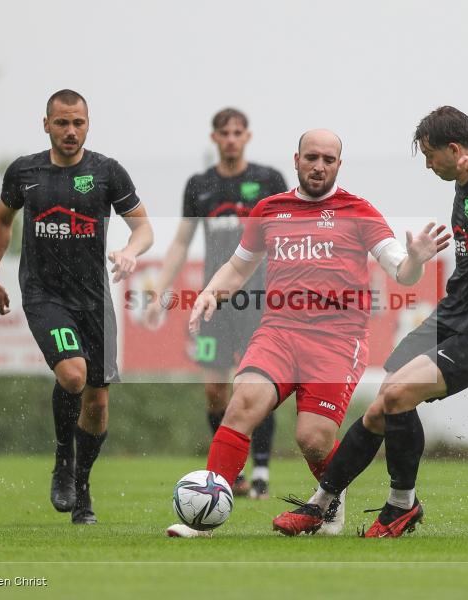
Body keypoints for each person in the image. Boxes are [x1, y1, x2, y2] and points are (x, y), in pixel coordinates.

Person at [166, 128, 451, 537]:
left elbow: (401, 271)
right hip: (278, 332)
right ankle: (205, 521)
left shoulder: (358, 210)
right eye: (312, 157)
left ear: (338, 165)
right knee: (241, 404)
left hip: (337, 341)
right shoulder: (269, 209)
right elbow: (239, 266)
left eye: (328, 160)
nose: (319, 166)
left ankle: (329, 501)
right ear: (296, 159)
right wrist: (211, 292)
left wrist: (417, 261)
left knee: (313, 439)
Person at [274, 107, 468, 537]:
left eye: (431, 156)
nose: (429, 165)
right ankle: (323, 504)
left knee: (396, 395)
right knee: (384, 401)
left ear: (454, 149)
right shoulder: (463, 186)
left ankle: (396, 507)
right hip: (453, 315)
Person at [0, 89, 153, 525]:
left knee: (97, 404)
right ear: (46, 125)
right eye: (61, 122)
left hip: (95, 299)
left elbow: (143, 227)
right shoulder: (25, 172)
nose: (70, 131)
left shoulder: (106, 172)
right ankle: (62, 459)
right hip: (44, 295)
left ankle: (81, 487)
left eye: (78, 122)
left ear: (88, 124)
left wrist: (132, 251)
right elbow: (2, 221)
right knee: (73, 374)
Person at [144, 108, 287, 499]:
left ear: (247, 137)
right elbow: (180, 241)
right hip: (215, 304)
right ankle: (233, 474)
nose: (230, 139)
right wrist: (160, 288)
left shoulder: (268, 180)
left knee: (259, 385)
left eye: (237, 132)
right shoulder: (199, 185)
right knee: (215, 390)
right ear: (214, 138)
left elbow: (288, 233)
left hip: (259, 300)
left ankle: (260, 471)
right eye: (224, 133)